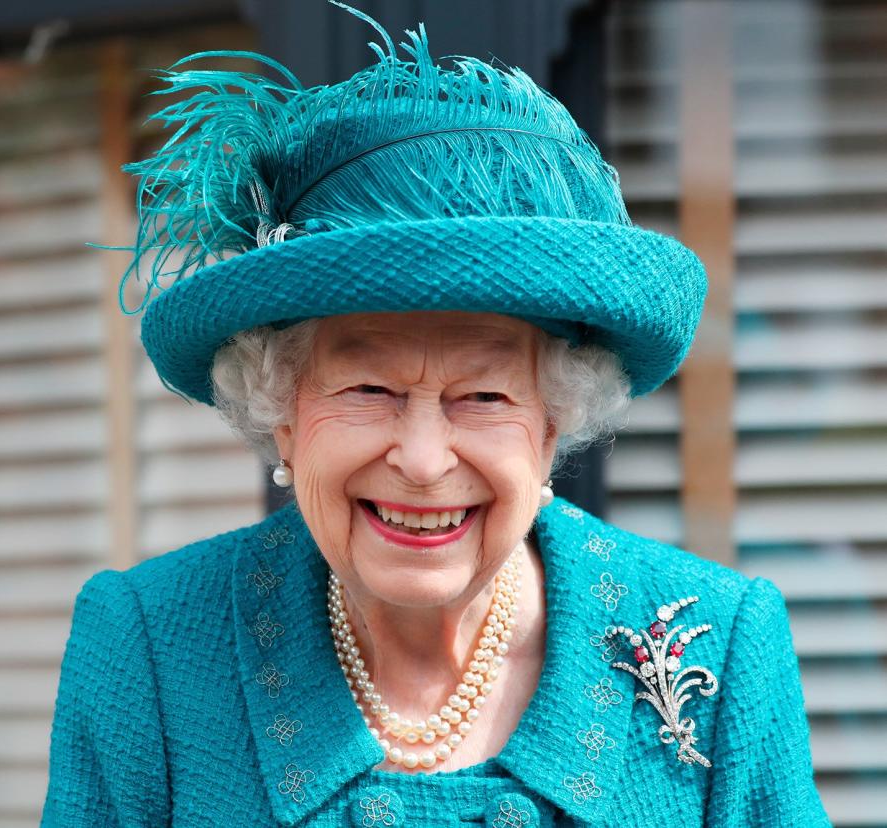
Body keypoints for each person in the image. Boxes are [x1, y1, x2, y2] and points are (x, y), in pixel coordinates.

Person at [41, 6, 830, 826]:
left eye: (483, 397)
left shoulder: (718, 648)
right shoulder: (149, 649)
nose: (422, 460)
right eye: (369, 391)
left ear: (553, 423)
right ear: (281, 411)